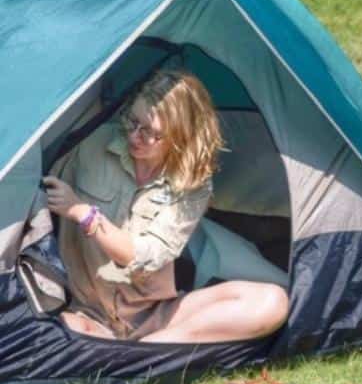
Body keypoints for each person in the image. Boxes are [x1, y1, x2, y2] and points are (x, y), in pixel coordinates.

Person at [41, 69, 289, 343]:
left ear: (180, 137)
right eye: (133, 121)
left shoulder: (192, 185)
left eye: (151, 133)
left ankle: (148, 348)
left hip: (157, 315)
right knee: (50, 332)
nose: (135, 136)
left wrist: (83, 213)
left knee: (273, 301)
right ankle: (146, 356)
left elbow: (143, 257)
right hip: (88, 313)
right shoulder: (90, 146)